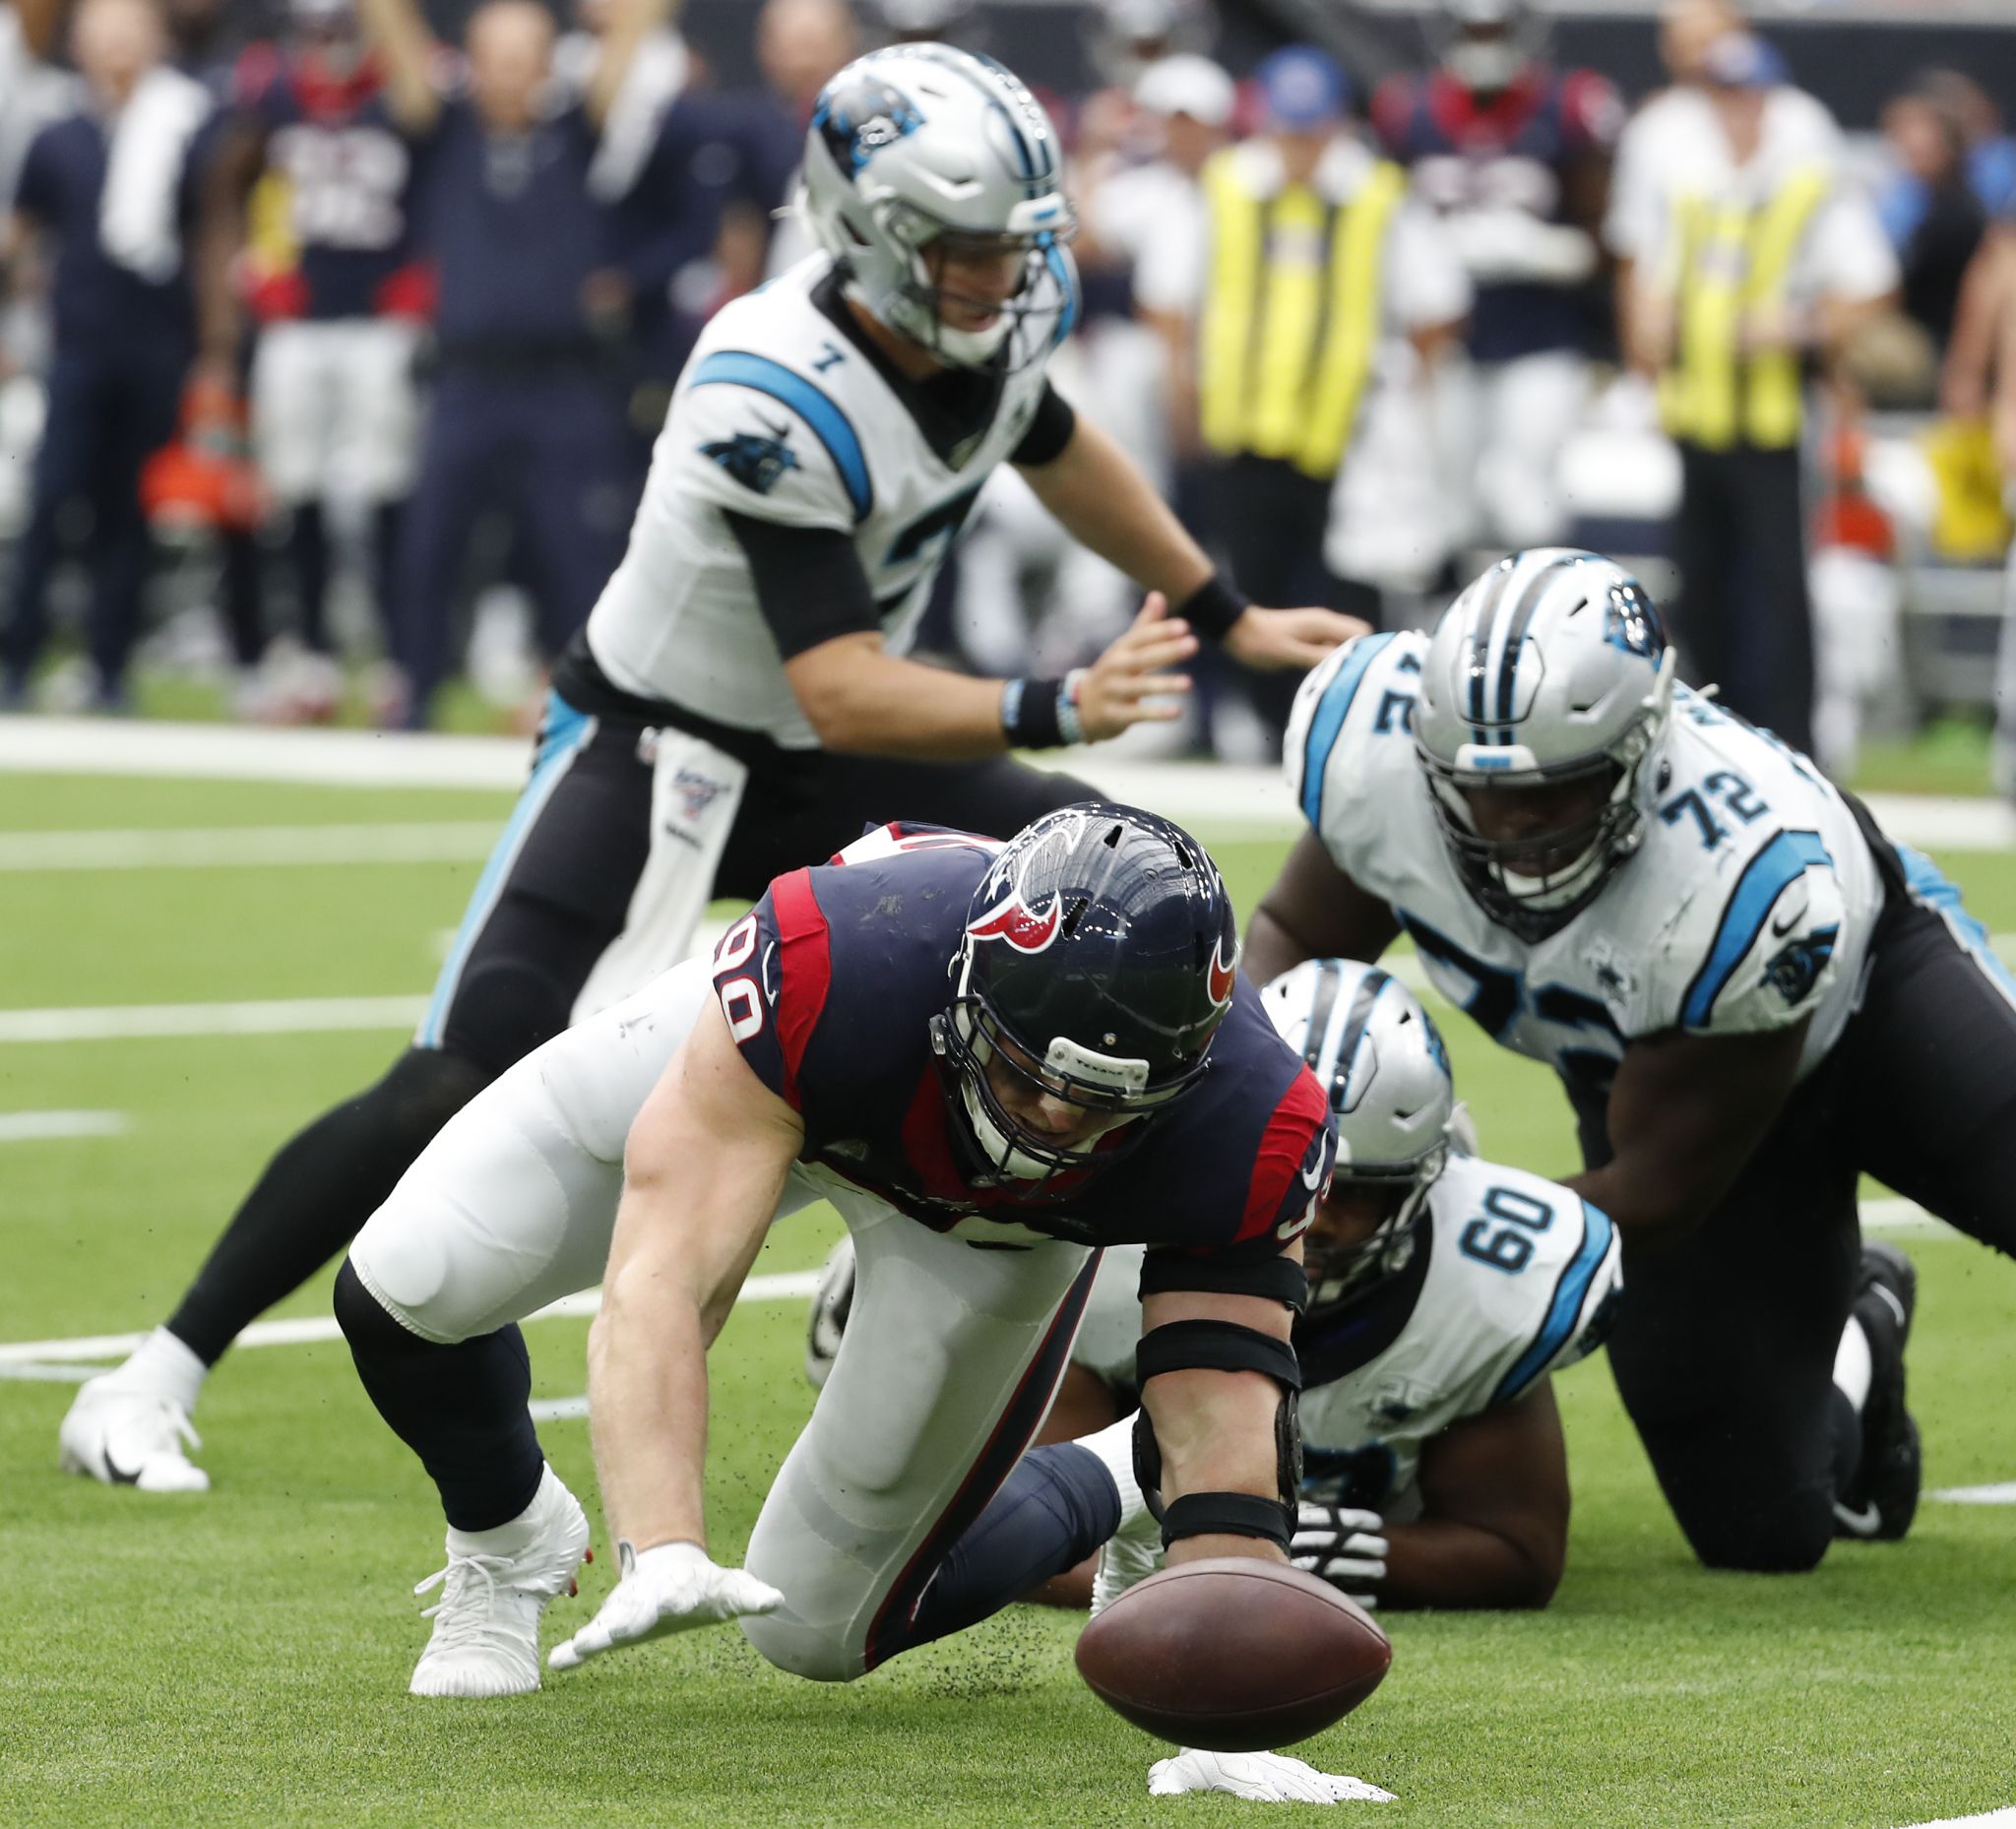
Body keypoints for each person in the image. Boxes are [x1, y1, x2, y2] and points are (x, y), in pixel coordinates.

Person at [57, 41, 1357, 1494]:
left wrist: (1220, 608)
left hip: (825, 755)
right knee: (459, 1079)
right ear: (877, 236)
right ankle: (151, 1372)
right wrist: (1054, 700)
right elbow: (839, 681)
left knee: (1108, 893)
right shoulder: (770, 382)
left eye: (1016, 247)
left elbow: (1055, 444)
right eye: (976, 249)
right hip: (663, 747)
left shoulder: (969, 330)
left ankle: (1137, 1291)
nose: (1007, 279)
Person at [330, 806, 1335, 1698]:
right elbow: (667, 1279)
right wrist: (665, 1543)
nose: (1049, 1119)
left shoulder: (1249, 1115)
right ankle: (504, 1546)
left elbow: (1229, 1393)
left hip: (994, 1232)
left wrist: (1223, 1686)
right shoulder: (836, 963)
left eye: (1100, 1103)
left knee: (815, 1629)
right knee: (410, 1278)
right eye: (1022, 1072)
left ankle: (1117, 1476)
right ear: (966, 989)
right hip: (792, 1092)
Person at [1248, 545, 2016, 1573]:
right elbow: (1293, 942)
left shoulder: (1737, 873)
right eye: (1479, 794)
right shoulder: (1371, 751)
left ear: (1640, 749)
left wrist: (1427, 1247)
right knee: (1760, 1529)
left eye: (1552, 794)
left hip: (1871, 996)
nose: (1512, 829)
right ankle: (1861, 1328)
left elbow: (1657, 1190)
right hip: (1652, 1068)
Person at [810, 955, 1624, 1617]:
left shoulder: (1484, 1288)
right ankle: (876, 1298)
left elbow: (1514, 1555)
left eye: (1356, 1192)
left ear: (1427, 1182)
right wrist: (1254, 1551)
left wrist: (1271, 1549)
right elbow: (1046, 1534)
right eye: (1295, 1175)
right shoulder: (1118, 1244)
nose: (1314, 1213)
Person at [1164, 44, 1469, 744]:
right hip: (1243, 427)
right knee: (1249, 585)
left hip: (1346, 437)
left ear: (1336, 125)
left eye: (1312, 129)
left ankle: (1342, 731)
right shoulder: (1227, 185)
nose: (1300, 147)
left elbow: (1437, 308)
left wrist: (1395, 398)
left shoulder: (1376, 193)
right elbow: (1173, 302)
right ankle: (1264, 726)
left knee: (1344, 589)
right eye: (1288, 128)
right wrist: (1184, 391)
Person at [1624, 32, 1896, 753]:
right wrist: (1653, 331)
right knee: (1700, 586)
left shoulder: (1805, 183)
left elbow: (1869, 287)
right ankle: (1706, 732)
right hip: (1697, 411)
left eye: (1746, 97)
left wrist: (1798, 325)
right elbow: (1651, 278)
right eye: (1723, 97)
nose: (1734, 113)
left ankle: (1791, 739)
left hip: (1772, 417)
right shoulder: (1687, 179)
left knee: (1780, 589)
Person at [192, 0, 428, 717]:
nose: (324, 48)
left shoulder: (405, 88)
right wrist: (242, 288)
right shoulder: (273, 92)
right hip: (298, 317)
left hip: (380, 319)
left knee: (386, 489)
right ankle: (312, 652)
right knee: (295, 490)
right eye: (314, 32)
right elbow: (225, 187)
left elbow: (438, 153)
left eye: (337, 30)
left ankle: (393, 651)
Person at [1, 0, 218, 711]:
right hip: (77, 347)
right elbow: (21, 235)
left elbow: (211, 235)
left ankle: (109, 665)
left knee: (127, 512)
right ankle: (19, 655)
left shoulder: (184, 124)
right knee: (51, 499)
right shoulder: (60, 136)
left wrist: (213, 347)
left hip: (154, 347)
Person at [1373, 0, 1621, 553]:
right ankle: (1453, 626)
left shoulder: (1569, 104)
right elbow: (1379, 218)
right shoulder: (1408, 108)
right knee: (1443, 501)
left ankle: (1537, 623)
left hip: (1541, 334)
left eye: (1495, 29)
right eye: (1472, 30)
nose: (1483, 43)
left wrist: (1553, 251)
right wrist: (1427, 257)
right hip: (1447, 340)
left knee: (1527, 498)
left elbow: (1612, 230)